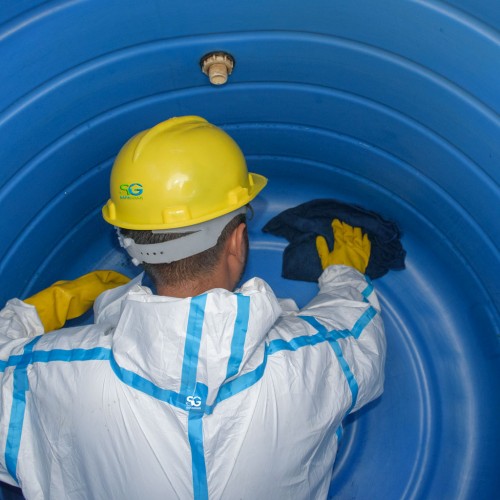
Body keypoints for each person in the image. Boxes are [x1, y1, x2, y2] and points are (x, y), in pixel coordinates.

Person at [0, 116, 386, 499]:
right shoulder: (314, 358)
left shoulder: (51, 374)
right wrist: (344, 274)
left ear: (132, 245)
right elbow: (357, 327)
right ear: (237, 239)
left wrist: (55, 302)